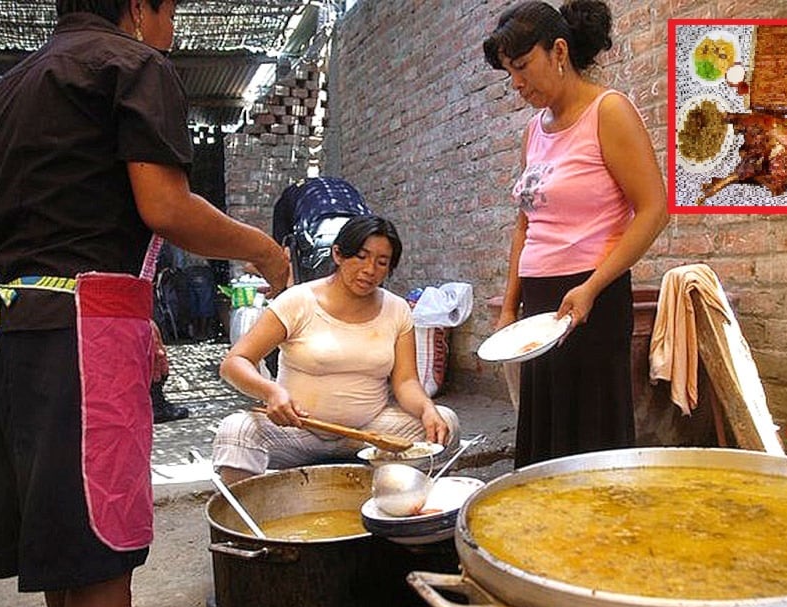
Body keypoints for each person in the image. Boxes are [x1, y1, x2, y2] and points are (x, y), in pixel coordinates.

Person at [0, 1, 289, 607]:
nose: (169, 28)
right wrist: (261, 248)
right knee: (102, 548)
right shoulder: (133, 63)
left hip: (7, 335)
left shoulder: (13, 86)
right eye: (168, 9)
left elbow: (62, 220)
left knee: (67, 545)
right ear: (139, 7)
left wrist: (137, 318)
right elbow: (164, 206)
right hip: (78, 340)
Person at [482, 0, 668, 468]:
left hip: (593, 299)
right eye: (510, 73)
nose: (517, 84)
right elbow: (526, 222)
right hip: (540, 304)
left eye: (523, 67)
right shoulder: (533, 131)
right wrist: (509, 305)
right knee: (547, 427)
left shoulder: (609, 111)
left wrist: (591, 287)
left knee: (591, 434)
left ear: (558, 50)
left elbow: (653, 210)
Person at [212, 214, 459, 485]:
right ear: (338, 254)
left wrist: (426, 409)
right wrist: (271, 392)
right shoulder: (297, 302)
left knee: (444, 422)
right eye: (361, 257)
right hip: (295, 430)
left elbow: (406, 381)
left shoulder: (397, 309)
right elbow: (235, 362)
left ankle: (402, 505)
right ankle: (245, 523)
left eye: (382, 262)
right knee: (236, 431)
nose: (370, 269)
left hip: (368, 433)